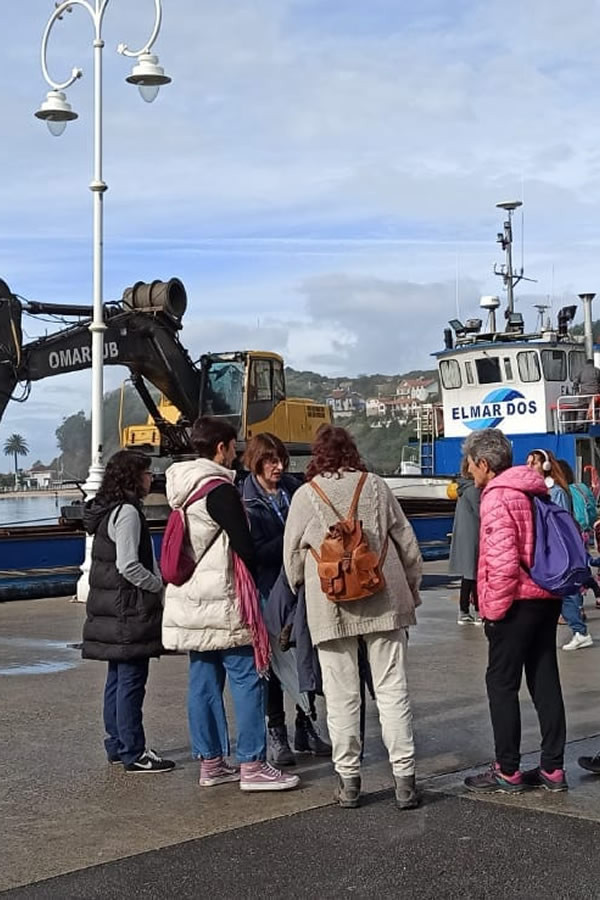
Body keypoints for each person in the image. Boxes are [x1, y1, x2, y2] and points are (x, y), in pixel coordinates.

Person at [283, 424, 422, 810]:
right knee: (392, 691)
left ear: (318, 455)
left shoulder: (304, 495)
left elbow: (292, 559)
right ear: (352, 452)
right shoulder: (376, 486)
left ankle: (348, 783)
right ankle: (405, 781)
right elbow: (406, 541)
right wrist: (411, 586)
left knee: (342, 697)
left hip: (330, 605)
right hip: (384, 600)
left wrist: (305, 587)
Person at [162, 417, 299, 792]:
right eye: (233, 446)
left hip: (191, 597)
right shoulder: (219, 489)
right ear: (221, 447)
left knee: (203, 682)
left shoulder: (183, 486)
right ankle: (253, 764)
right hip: (222, 598)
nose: (236, 452)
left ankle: (211, 763)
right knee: (247, 676)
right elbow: (246, 547)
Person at [463, 429, 567, 794]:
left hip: (516, 601)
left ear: (484, 463)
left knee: (501, 684)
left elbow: (504, 562)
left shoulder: (498, 496)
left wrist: (492, 612)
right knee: (544, 679)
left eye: (471, 465)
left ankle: (507, 768)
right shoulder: (532, 487)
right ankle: (553, 768)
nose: (469, 473)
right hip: (546, 594)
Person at [82, 450, 175, 774]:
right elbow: (128, 564)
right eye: (147, 473)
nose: (152, 478)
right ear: (134, 477)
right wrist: (157, 584)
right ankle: (134, 751)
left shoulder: (106, 511)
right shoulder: (128, 513)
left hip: (110, 609)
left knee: (117, 679)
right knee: (132, 681)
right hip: (128, 611)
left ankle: (117, 745)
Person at [242, 432, 331, 766]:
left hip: (302, 587)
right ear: (256, 462)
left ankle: (305, 725)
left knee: (305, 654)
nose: (278, 467)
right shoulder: (246, 499)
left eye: (280, 460)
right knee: (275, 664)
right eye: (270, 461)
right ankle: (276, 732)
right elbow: (253, 552)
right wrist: (291, 538)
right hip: (268, 589)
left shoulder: (296, 489)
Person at [526, 450, 592, 651]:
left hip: (559, 548)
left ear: (545, 466)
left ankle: (580, 631)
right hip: (549, 547)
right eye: (527, 463)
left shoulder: (556, 492)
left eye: (533, 463)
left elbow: (561, 523)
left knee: (566, 590)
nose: (529, 467)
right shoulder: (540, 491)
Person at [449, 457, 481, 626]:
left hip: (463, 535)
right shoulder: (473, 490)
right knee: (474, 574)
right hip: (474, 535)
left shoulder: (462, 489)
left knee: (467, 576)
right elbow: (481, 511)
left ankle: (464, 611)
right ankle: (479, 611)